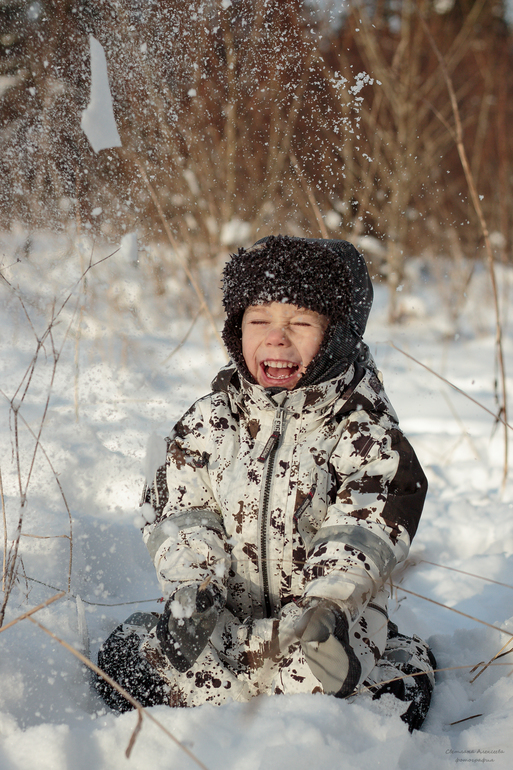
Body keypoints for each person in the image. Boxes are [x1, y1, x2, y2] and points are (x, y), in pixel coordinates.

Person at [95, 235, 436, 731]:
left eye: (301, 323)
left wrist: (328, 604)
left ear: (337, 335)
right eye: (259, 322)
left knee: (361, 697)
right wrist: (195, 586)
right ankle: (217, 674)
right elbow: (182, 513)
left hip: (323, 629)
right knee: (129, 667)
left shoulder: (364, 433)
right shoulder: (209, 423)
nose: (276, 338)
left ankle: (384, 664)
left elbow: (362, 531)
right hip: (224, 623)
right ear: (236, 331)